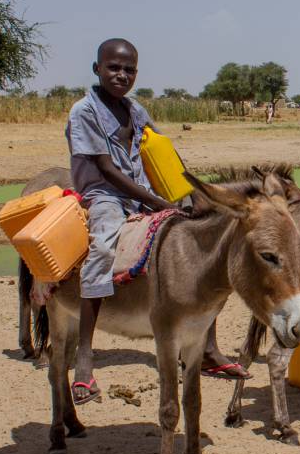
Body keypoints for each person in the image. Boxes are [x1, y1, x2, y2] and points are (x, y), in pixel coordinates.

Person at [66, 38, 246, 405]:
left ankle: (207, 347)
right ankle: (84, 356)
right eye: (114, 67)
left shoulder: (135, 110)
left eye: (129, 69)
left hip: (145, 191)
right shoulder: (84, 111)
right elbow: (105, 168)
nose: (121, 75)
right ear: (96, 68)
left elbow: (162, 151)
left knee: (201, 246)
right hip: (106, 195)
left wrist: (193, 191)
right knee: (102, 247)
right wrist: (155, 201)